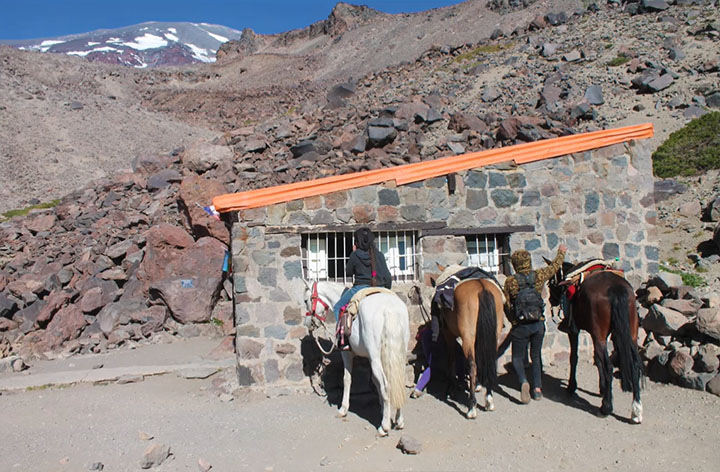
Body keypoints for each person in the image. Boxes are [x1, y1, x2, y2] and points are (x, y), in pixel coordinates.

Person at [503, 244, 566, 403]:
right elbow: (555, 267)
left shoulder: (510, 282)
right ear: (529, 261)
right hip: (538, 324)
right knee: (536, 356)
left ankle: (524, 381)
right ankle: (537, 390)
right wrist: (561, 253)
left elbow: (507, 304)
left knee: (517, 358)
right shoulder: (539, 275)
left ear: (515, 264)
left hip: (521, 325)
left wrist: (513, 320)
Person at [333, 227, 392, 349]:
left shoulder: (355, 255)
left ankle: (343, 339)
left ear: (357, 241)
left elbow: (348, 272)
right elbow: (388, 277)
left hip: (360, 289)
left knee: (338, 307)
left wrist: (353, 254)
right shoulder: (379, 255)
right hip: (380, 288)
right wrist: (387, 291)